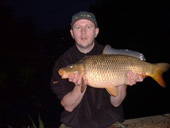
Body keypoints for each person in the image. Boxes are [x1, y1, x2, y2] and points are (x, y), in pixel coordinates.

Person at [51, 11, 144, 128]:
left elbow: (116, 102)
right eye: (78, 27)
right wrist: (80, 85)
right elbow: (68, 106)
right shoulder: (63, 62)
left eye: (88, 27)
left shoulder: (109, 55)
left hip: (109, 122)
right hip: (74, 124)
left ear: (96, 32)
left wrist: (123, 81)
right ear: (72, 33)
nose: (83, 32)